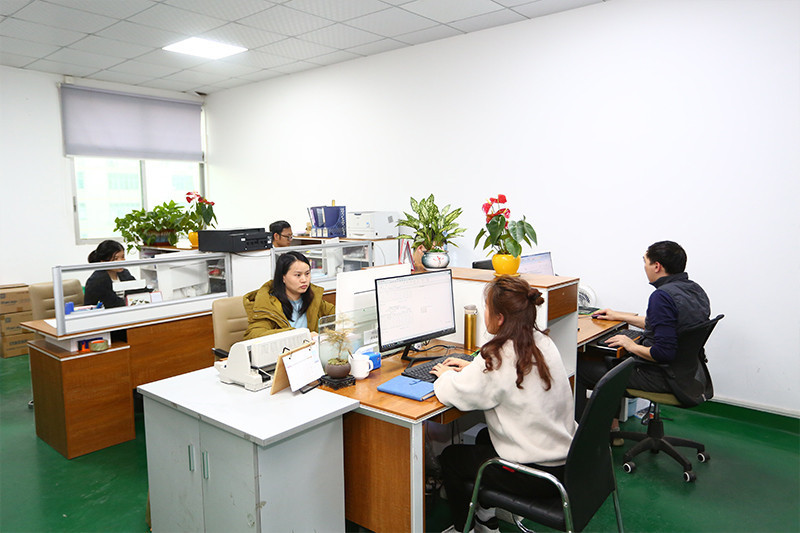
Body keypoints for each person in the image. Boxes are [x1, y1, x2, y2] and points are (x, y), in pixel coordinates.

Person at [431, 276, 577, 533]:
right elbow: (500, 378)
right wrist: (475, 368)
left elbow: (456, 393)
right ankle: (486, 519)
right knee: (484, 437)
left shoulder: (497, 356)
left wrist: (444, 375)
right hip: (567, 461)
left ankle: (463, 528)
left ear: (499, 318)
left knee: (452, 458)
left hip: (536, 476)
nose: (484, 313)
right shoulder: (542, 341)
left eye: (486, 307)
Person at [575, 241, 711, 439]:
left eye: (645, 262)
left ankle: (581, 439)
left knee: (581, 368)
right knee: (613, 358)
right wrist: (619, 316)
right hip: (685, 373)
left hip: (660, 375)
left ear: (657, 266)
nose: (644, 267)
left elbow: (662, 352)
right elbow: (665, 325)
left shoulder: (661, 296)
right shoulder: (693, 290)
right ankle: (613, 429)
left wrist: (630, 344)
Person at [243, 251, 335, 339]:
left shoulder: (314, 298)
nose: (304, 280)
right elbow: (254, 334)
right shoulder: (268, 304)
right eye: (298, 275)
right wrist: (298, 334)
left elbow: (338, 315)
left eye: (307, 274)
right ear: (283, 277)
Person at [83, 240, 136, 308]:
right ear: (103, 261)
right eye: (115, 259)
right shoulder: (96, 280)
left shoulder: (124, 273)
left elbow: (136, 289)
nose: (121, 261)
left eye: (122, 257)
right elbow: (112, 302)